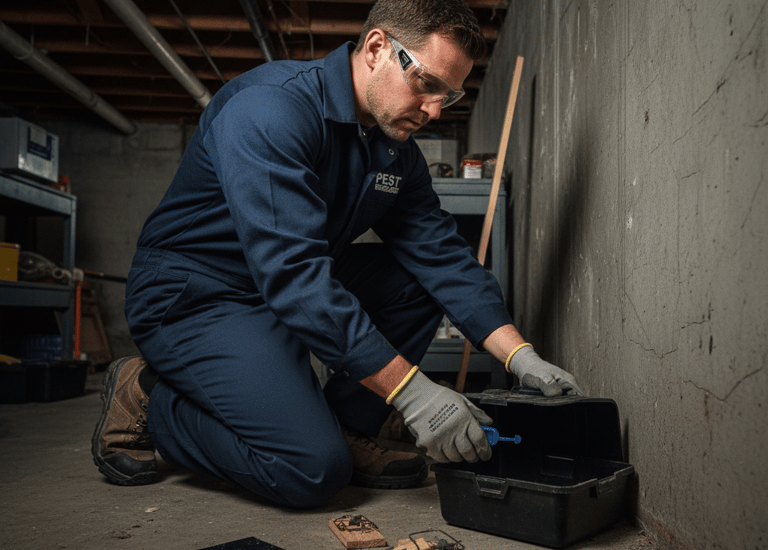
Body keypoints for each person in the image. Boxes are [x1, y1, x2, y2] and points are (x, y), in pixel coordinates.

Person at [92, 0, 583, 508]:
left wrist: (521, 357)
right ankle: (151, 397)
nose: (436, 110)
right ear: (376, 48)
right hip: (197, 293)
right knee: (309, 469)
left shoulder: (394, 150)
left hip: (283, 286)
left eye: (450, 95)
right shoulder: (271, 108)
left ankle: (350, 425)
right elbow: (295, 276)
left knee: (417, 279)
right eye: (428, 84)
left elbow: (441, 257)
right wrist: (413, 393)